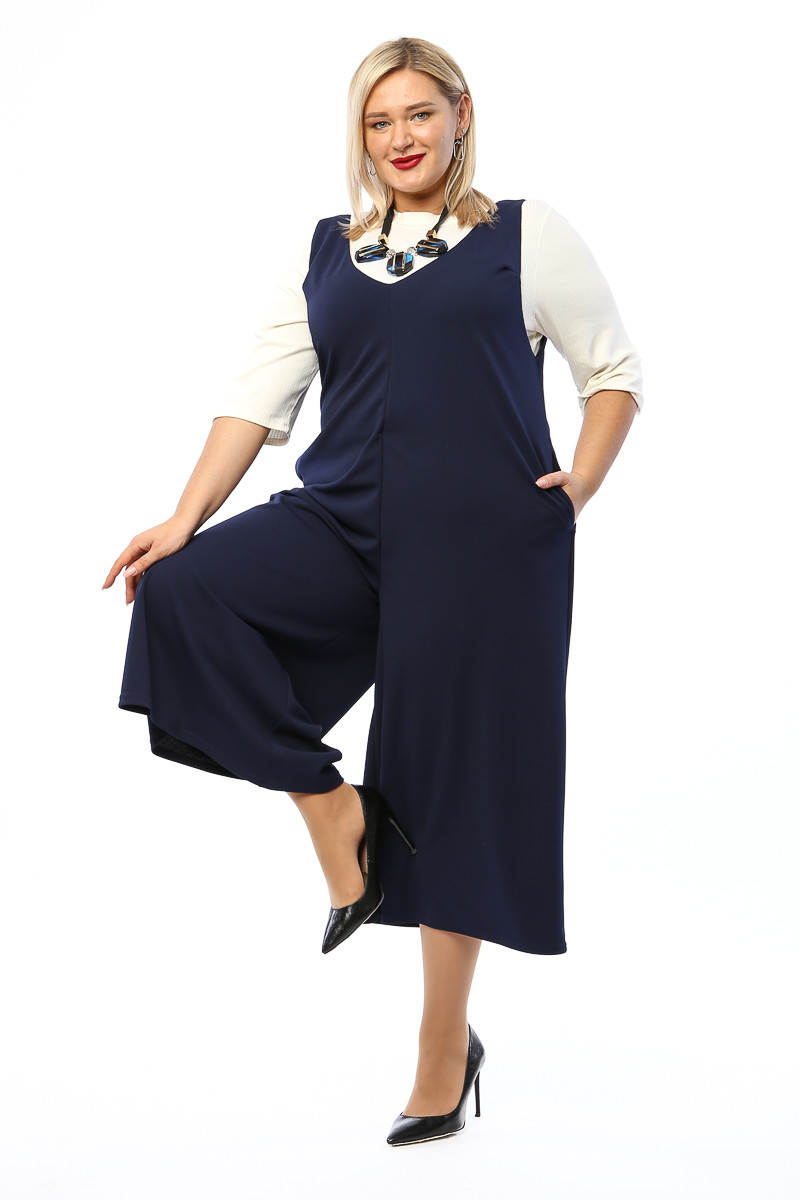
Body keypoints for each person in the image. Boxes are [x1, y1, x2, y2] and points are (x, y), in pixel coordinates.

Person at [102, 36, 644, 1147]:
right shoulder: (328, 252)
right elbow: (257, 400)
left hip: (487, 550)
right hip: (343, 523)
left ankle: (444, 1046)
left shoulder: (524, 237)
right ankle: (336, 810)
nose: (400, 138)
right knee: (184, 596)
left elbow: (613, 372)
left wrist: (578, 487)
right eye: (378, 121)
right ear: (361, 135)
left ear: (460, 116)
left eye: (418, 114)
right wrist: (182, 518)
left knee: (454, 792)